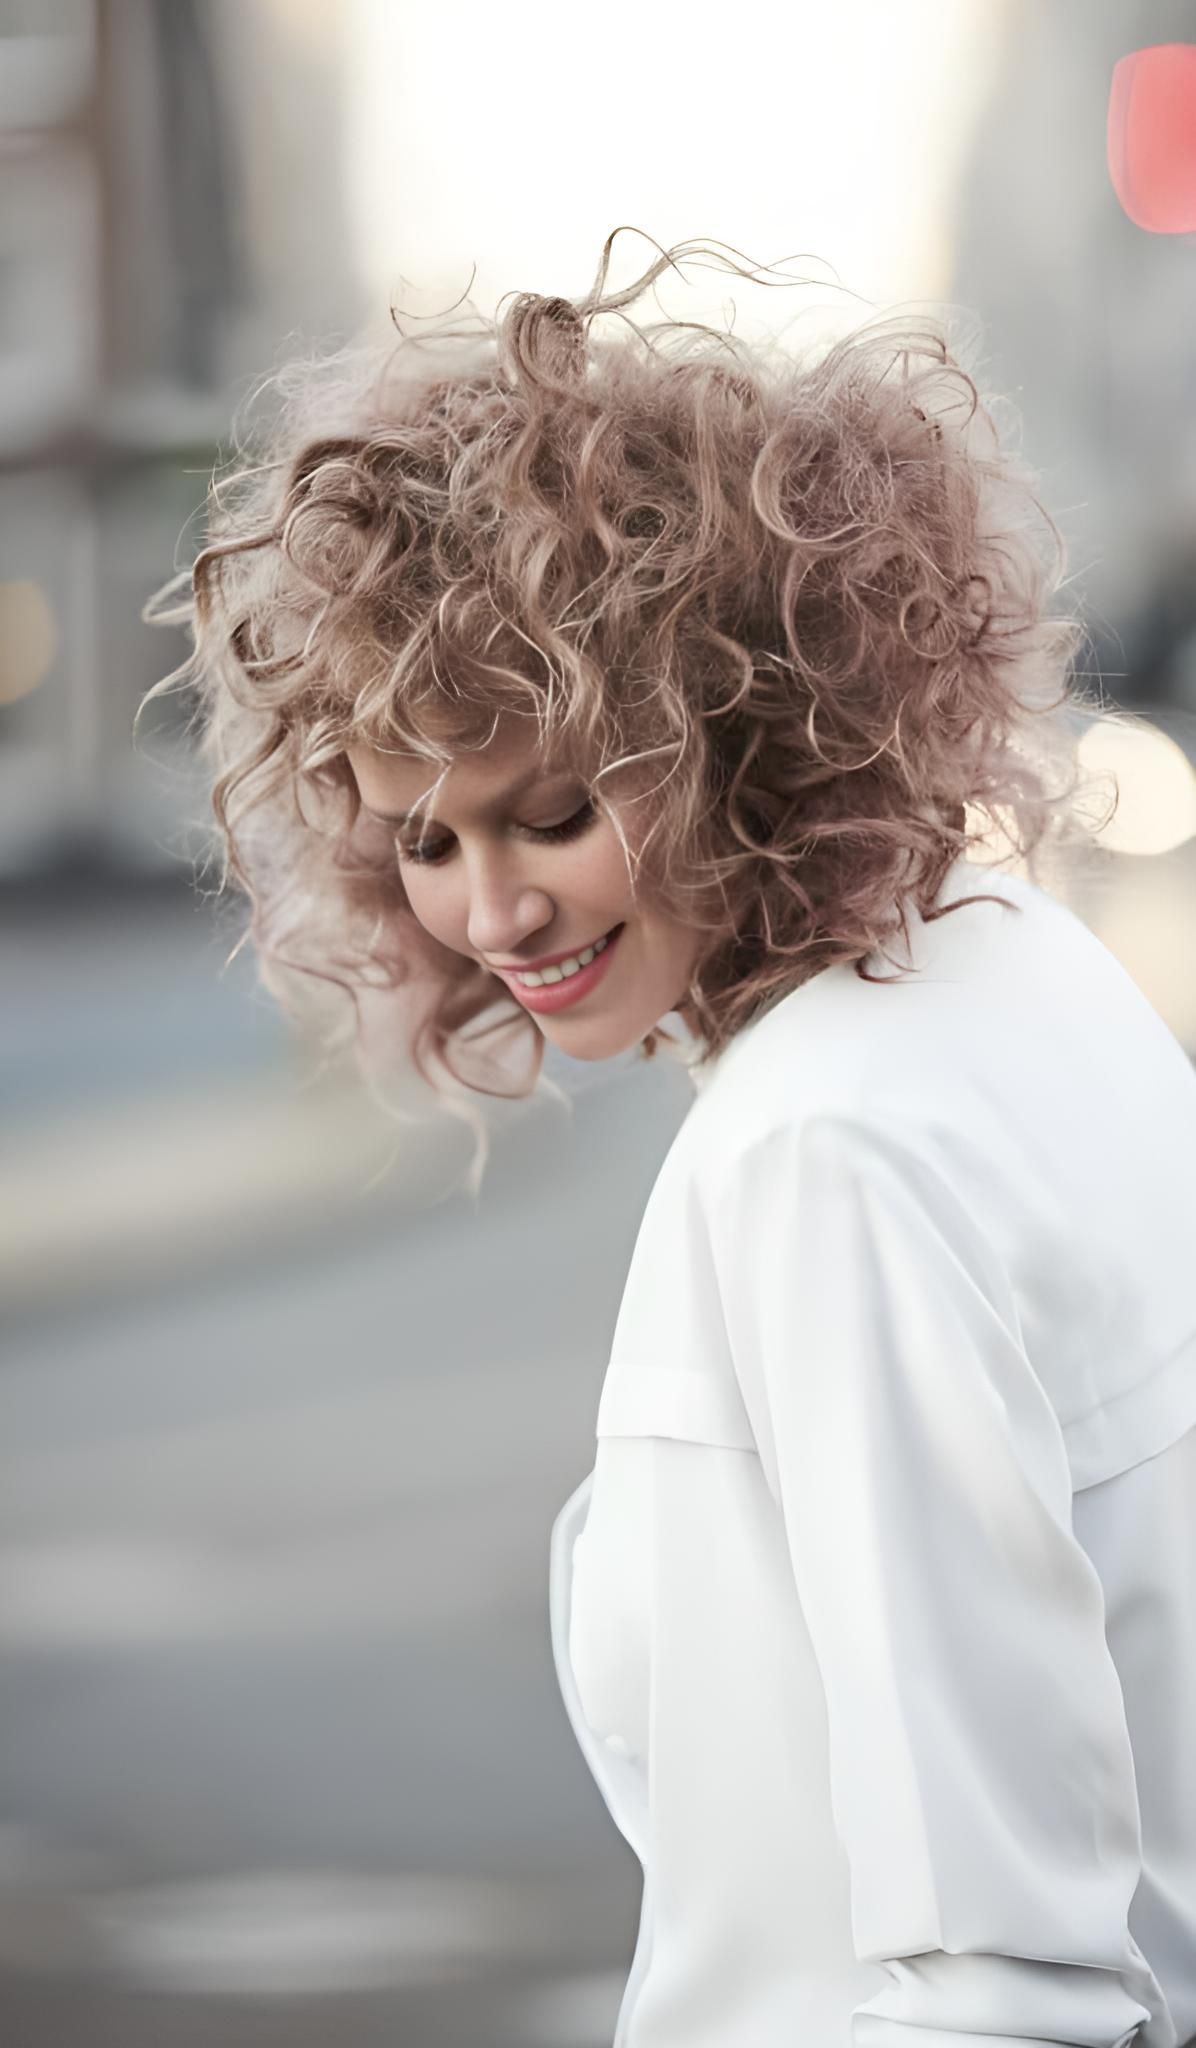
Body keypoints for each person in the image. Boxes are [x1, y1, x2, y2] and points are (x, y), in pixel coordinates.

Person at [141, 231, 1196, 2046]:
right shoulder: (1013, 970)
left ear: (736, 723)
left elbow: (1007, 1976)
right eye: (422, 837)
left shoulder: (824, 1143)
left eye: (551, 811)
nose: (493, 913)